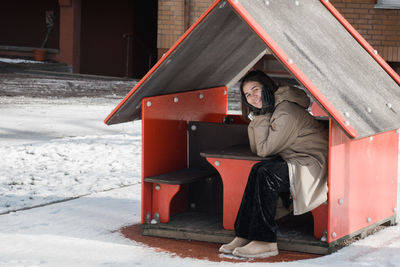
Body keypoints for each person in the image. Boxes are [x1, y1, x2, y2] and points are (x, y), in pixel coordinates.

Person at [219, 70, 328, 258]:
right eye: (247, 95)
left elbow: (264, 149)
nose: (253, 97)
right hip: (296, 158)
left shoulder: (285, 110)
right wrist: (263, 114)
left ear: (268, 88)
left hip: (313, 164)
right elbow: (258, 147)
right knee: (258, 169)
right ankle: (244, 234)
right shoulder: (273, 109)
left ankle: (265, 241)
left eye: (256, 90)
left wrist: (264, 115)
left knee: (267, 173)